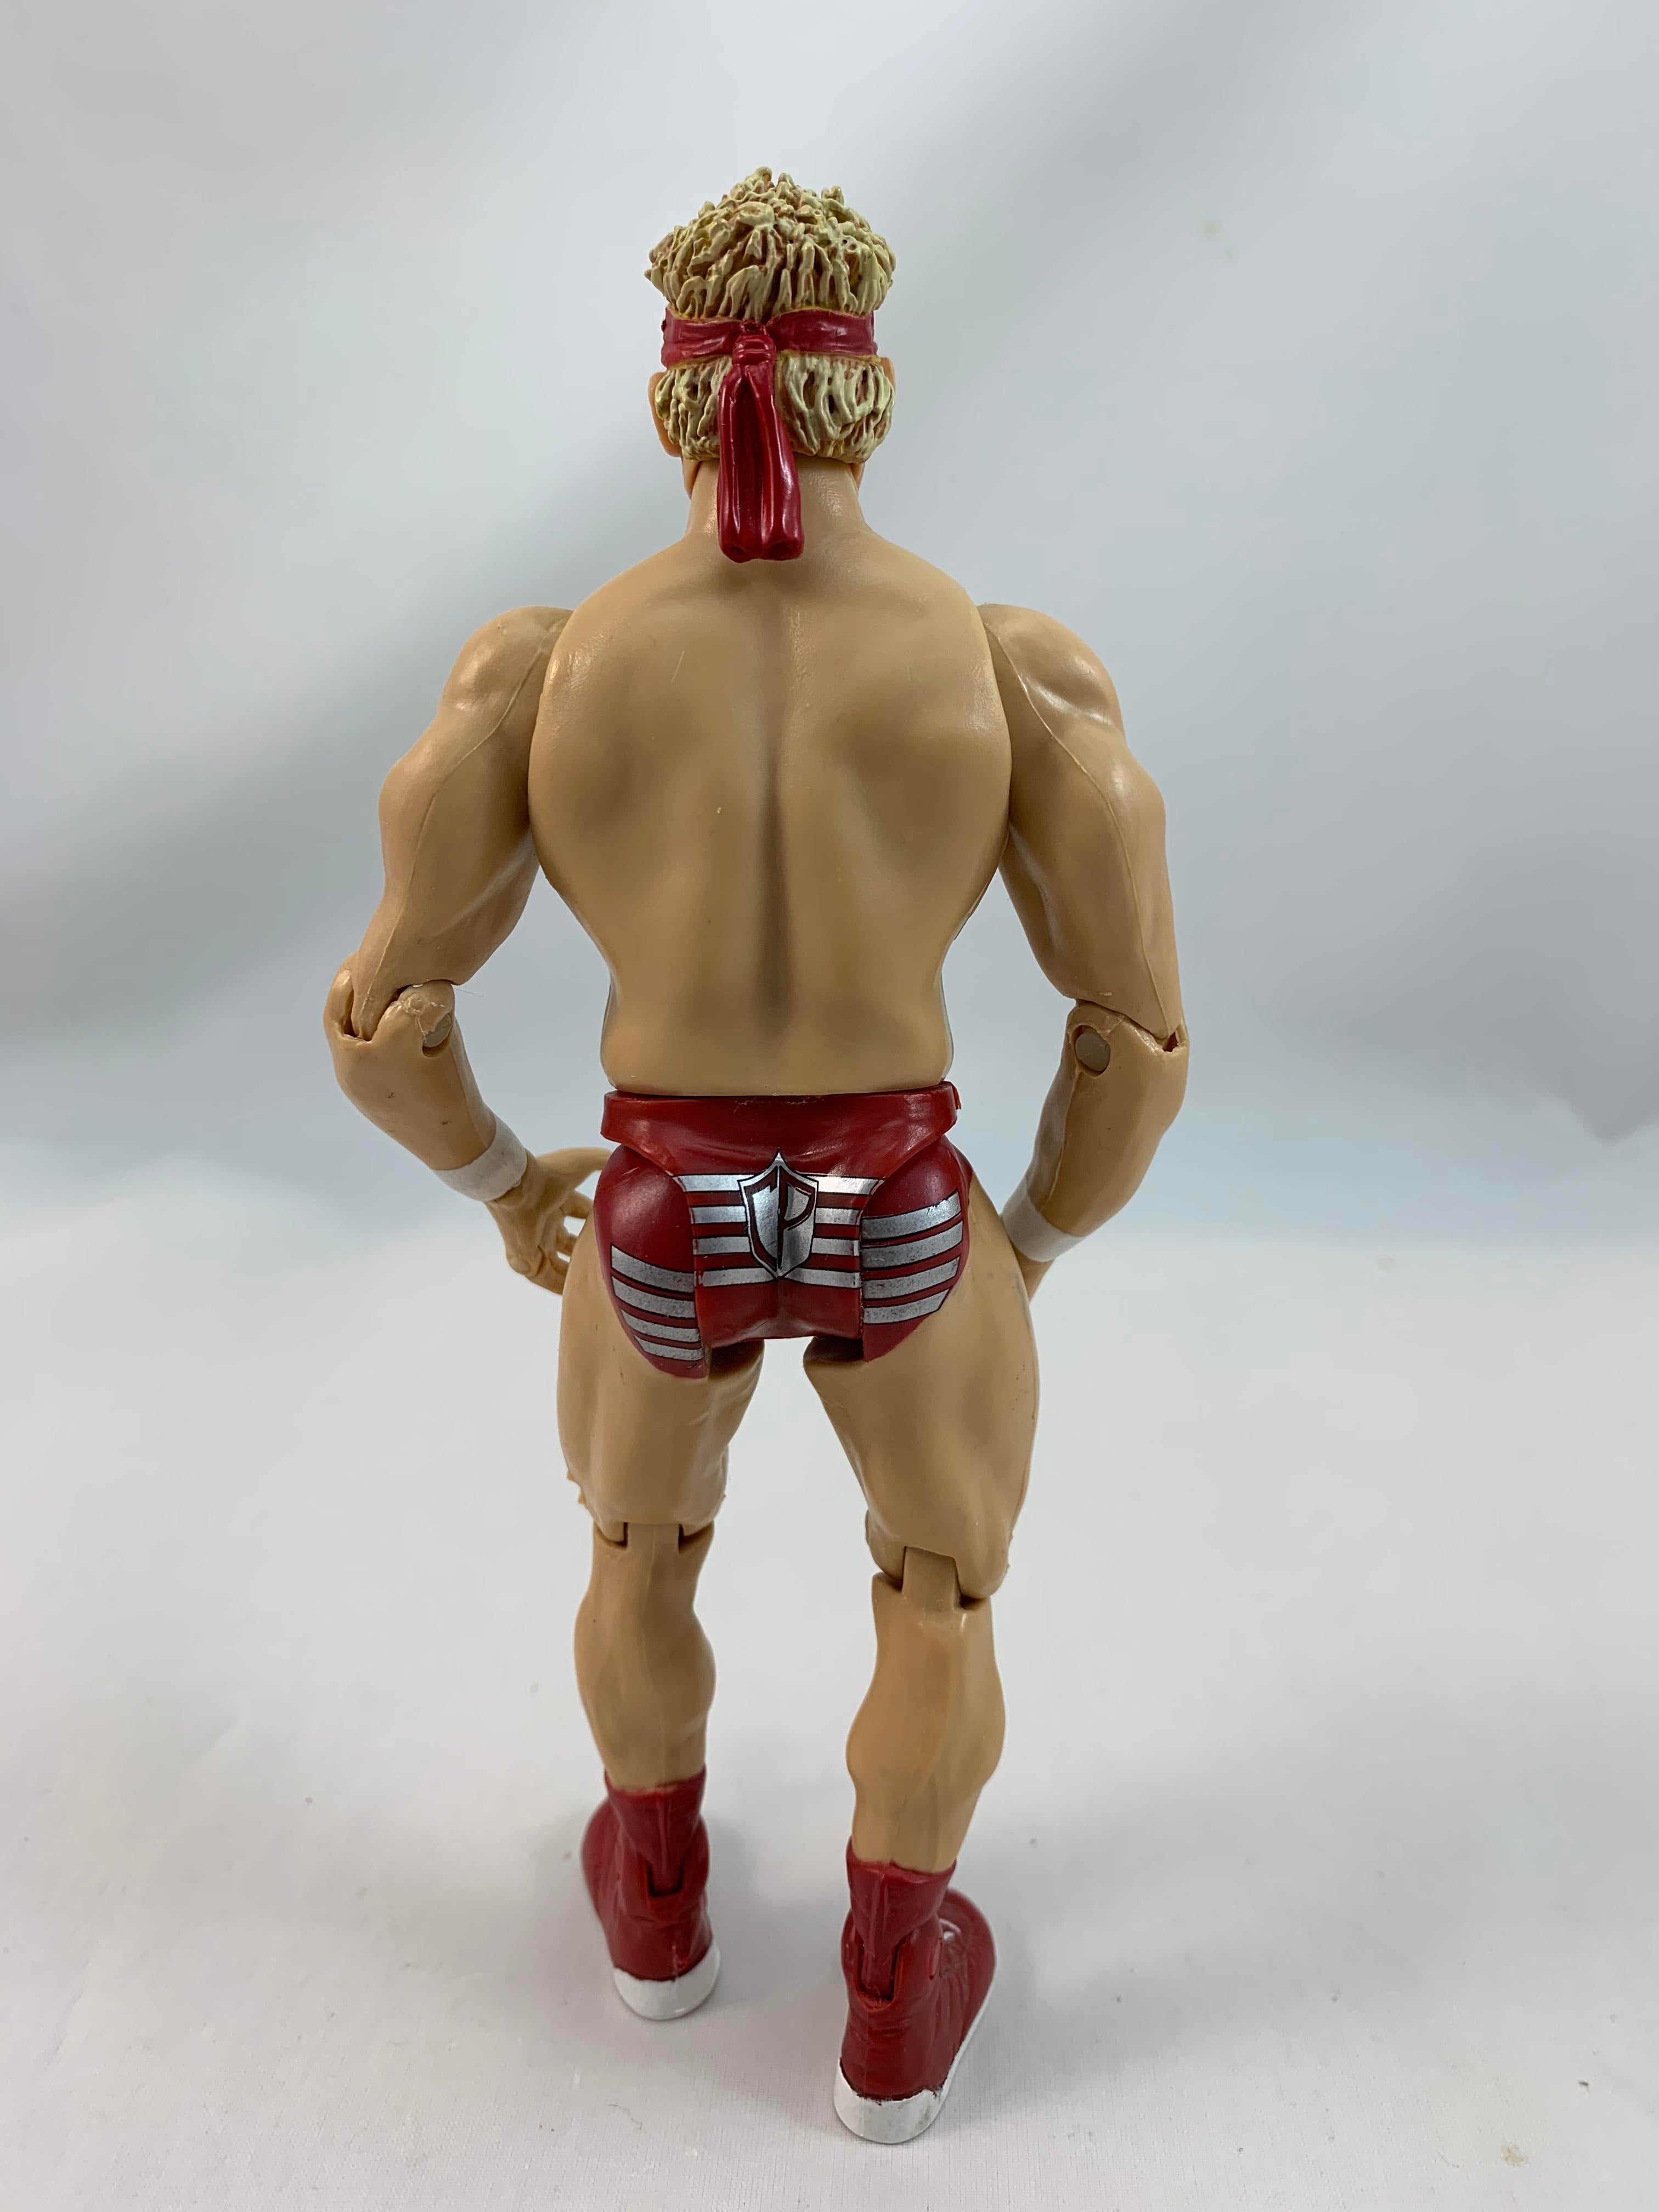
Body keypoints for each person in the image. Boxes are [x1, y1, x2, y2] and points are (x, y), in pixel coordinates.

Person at [326, 167, 1187, 2143]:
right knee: (939, 1595)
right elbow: (1132, 1035)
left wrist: (502, 1184)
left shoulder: (549, 670)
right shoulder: (1003, 665)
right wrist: (1035, 1234)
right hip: (903, 1202)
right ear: (867, 387)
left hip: (658, 1204)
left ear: (674, 391)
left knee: (639, 1552)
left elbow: (389, 1015)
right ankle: (893, 2000)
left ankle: (656, 1914)